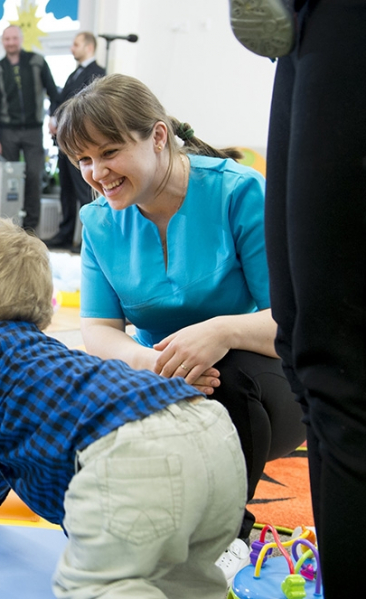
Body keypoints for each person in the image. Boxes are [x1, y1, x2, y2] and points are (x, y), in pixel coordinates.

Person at [0, 217, 247, 598]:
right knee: (182, 583)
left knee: (97, 587)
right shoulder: (47, 356)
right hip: (213, 434)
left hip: (136, 457)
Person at [55, 73, 306, 580]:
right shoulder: (100, 220)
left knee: (227, 373)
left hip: (258, 385)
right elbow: (99, 331)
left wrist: (222, 332)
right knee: (73, 390)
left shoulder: (239, 192)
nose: (97, 172)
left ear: (158, 137)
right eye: (84, 159)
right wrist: (155, 364)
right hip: (166, 381)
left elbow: (291, 318)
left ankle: (232, 537)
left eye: (109, 152)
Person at [234, 1, 366, 595]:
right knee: (308, 351)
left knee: (337, 364)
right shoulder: (105, 222)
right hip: (305, 28)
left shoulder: (227, 190)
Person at [0, 25, 59, 232]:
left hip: (33, 131)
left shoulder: (37, 62)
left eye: (14, 38)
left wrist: (53, 118)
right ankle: (8, 227)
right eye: (6, 39)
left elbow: (53, 92)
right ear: (3, 41)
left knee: (34, 176)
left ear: (20, 39)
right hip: (7, 131)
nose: (10, 42)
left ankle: (31, 228)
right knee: (9, 180)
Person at [45, 32, 105, 251]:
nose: (72, 48)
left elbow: (86, 106)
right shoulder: (73, 74)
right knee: (66, 190)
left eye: (76, 44)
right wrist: (54, 118)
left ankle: (87, 238)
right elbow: (62, 100)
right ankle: (65, 233)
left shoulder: (97, 73)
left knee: (84, 190)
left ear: (89, 47)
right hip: (64, 141)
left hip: (81, 142)